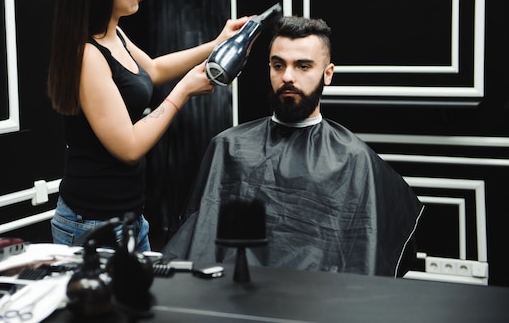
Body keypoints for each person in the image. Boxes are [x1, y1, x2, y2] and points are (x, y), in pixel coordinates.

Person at [163, 16, 424, 277]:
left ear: (327, 73)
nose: (287, 76)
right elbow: (199, 243)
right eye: (278, 65)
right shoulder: (228, 147)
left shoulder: (355, 158)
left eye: (303, 66)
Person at [46, 0, 250, 251]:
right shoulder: (88, 56)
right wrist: (182, 92)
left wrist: (216, 44)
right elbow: (128, 147)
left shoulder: (113, 34)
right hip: (92, 225)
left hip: (129, 217)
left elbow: (152, 69)